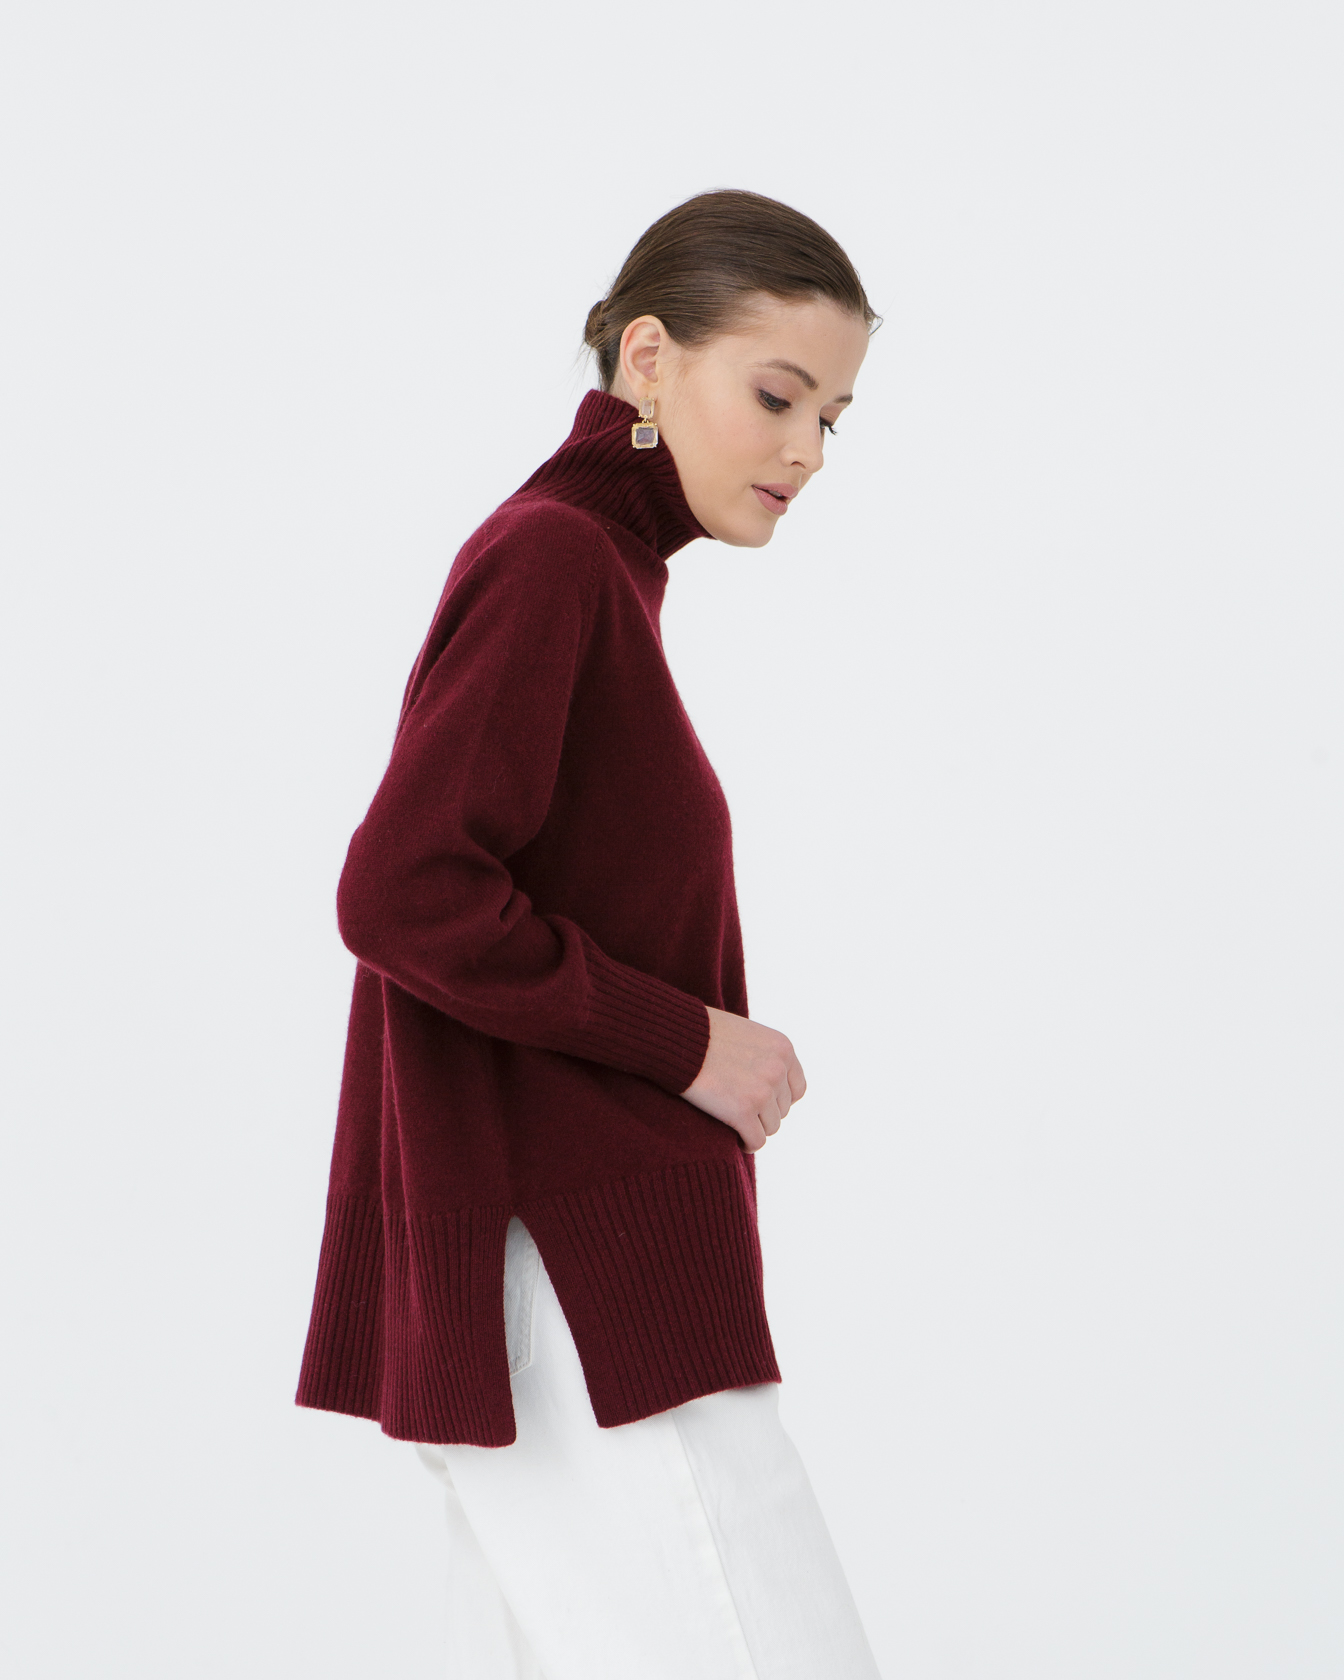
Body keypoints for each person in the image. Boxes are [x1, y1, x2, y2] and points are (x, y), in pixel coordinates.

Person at [296, 187, 882, 1679]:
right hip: (581, 1280)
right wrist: (691, 1044)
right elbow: (404, 889)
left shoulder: (604, 570)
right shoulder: (557, 559)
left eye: (835, 418)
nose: (810, 452)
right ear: (647, 359)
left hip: (562, 1271)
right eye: (778, 397)